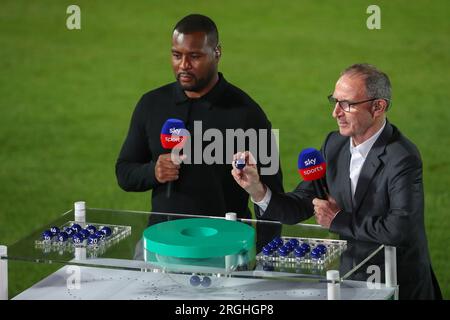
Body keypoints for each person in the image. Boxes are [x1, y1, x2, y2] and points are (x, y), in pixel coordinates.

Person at [231, 64, 441, 300]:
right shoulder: (334, 145)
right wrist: (257, 190)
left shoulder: (402, 158)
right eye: (335, 101)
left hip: (398, 286)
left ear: (378, 107)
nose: (336, 113)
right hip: (350, 282)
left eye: (347, 104)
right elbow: (300, 205)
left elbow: (400, 229)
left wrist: (338, 219)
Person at [115, 14, 283, 249]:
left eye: (194, 56)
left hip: (225, 247)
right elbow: (124, 171)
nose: (183, 65)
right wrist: (153, 172)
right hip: (160, 243)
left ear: (217, 53)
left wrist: (266, 259)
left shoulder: (247, 114)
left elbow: (271, 198)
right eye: (177, 55)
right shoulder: (151, 104)